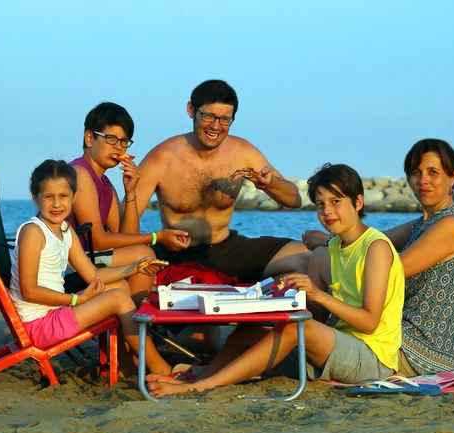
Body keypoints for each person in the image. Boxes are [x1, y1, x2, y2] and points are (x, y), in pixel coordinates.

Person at [144, 163, 405, 397]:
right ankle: (202, 376)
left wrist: (316, 293)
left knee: (295, 329)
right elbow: (317, 314)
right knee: (249, 331)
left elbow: (370, 323)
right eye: (320, 204)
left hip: (372, 357)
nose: (327, 211)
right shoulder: (336, 246)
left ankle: (198, 387)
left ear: (358, 203)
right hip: (339, 344)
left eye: (336, 201)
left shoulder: (376, 248)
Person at [303, 139, 454, 376]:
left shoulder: (451, 225)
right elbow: (368, 240)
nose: (423, 180)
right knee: (313, 257)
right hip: (397, 331)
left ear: (453, 177)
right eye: (416, 172)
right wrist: (331, 241)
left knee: (321, 260)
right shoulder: (423, 223)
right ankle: (307, 333)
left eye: (433, 172)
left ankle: (310, 337)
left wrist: (327, 244)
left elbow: (389, 268)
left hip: (423, 349)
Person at [133, 80, 310, 284]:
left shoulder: (242, 151)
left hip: (228, 250)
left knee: (309, 254)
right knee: (136, 265)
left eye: (225, 119)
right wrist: (155, 239)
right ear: (191, 110)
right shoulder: (161, 158)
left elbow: (294, 200)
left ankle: (283, 305)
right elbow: (126, 224)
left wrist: (270, 185)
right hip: (175, 255)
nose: (216, 126)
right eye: (209, 116)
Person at [10, 159, 173, 376]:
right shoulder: (33, 232)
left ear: (75, 197)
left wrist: (135, 268)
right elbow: (29, 291)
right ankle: (160, 368)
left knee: (120, 286)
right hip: (37, 326)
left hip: (53, 314)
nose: (57, 204)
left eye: (64, 196)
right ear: (35, 197)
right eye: (49, 197)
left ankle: (124, 362)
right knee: (118, 299)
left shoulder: (65, 230)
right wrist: (77, 300)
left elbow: (93, 274)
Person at [68, 102, 190, 303]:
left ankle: (133, 324)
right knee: (144, 255)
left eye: (124, 141)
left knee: (141, 255)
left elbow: (127, 237)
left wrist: (131, 191)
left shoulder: (105, 183)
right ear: (90, 138)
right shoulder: (80, 173)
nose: (118, 147)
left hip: (86, 258)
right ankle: (135, 324)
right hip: (67, 264)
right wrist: (156, 237)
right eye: (111, 139)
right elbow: (97, 241)